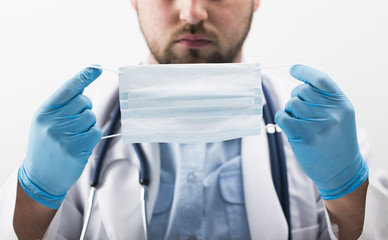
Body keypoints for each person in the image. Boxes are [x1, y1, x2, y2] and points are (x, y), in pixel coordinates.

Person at [1, 0, 388, 239]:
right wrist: (35, 195)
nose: (192, 11)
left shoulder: (320, 128)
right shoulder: (77, 130)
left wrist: (346, 191)